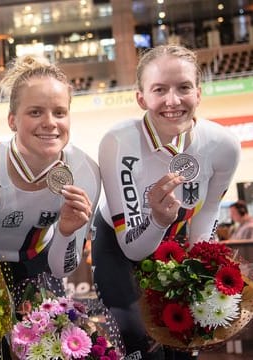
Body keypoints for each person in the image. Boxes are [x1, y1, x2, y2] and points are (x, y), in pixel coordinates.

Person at [91, 45, 241, 360]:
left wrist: (201, 271)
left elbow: (208, 212)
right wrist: (159, 220)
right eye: (160, 90)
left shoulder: (224, 145)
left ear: (198, 93)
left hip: (175, 241)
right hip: (120, 247)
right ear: (141, 97)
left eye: (183, 88)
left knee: (184, 341)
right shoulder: (119, 142)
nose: (173, 101)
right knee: (141, 341)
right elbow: (132, 247)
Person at [0, 55, 100, 358]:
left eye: (60, 112)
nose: (50, 123)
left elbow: (62, 268)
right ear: (12, 120)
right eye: (35, 112)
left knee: (52, 347)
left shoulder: (86, 172)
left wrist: (65, 232)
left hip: (39, 264)